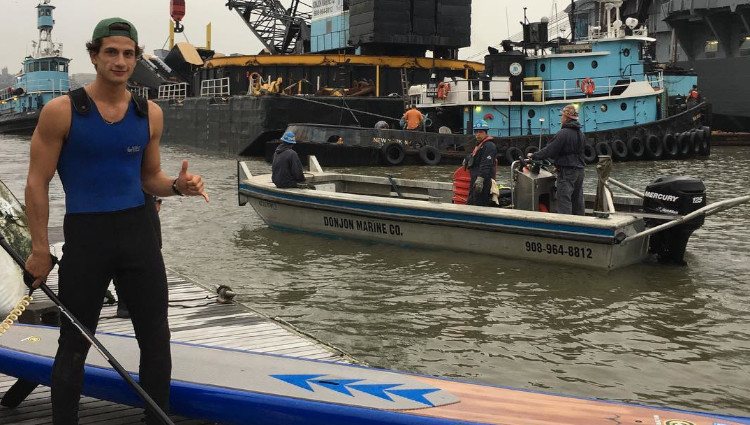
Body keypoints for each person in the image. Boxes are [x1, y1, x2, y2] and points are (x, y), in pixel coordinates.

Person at [24, 17, 209, 424]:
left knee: (156, 339)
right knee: (75, 341)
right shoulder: (62, 111)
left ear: (136, 59)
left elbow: (148, 179)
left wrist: (178, 187)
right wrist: (39, 249)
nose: (120, 61)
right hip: (87, 237)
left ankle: (155, 419)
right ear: (94, 55)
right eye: (111, 52)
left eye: (128, 53)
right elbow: (36, 183)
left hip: (139, 234)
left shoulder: (150, 113)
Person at [528, 104, 586, 215]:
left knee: (564, 198)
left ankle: (565, 226)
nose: (561, 118)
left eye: (562, 116)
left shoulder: (563, 133)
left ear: (566, 118)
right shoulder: (581, 134)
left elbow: (550, 150)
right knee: (577, 198)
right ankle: (580, 222)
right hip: (580, 170)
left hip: (567, 171)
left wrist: (534, 156)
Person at [115, 193, 162, 319]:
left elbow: (151, 176)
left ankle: (144, 299)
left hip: (145, 199)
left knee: (153, 246)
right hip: (119, 204)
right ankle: (125, 303)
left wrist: (156, 200)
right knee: (121, 251)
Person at [465, 119, 497, 206]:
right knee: (471, 202)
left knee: (479, 203)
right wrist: (467, 159)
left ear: (486, 133)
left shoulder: (489, 146)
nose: (477, 134)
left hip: (483, 181)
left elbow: (486, 164)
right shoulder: (479, 145)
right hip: (475, 180)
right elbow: (475, 159)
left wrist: (480, 179)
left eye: (480, 132)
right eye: (476, 132)